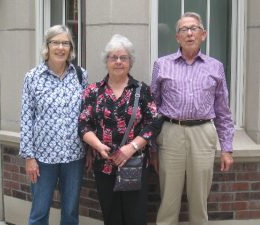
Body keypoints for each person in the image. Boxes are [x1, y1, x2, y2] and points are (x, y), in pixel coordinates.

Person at [151, 12, 235, 225]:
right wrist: (152, 147)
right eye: (183, 30)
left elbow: (223, 110)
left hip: (203, 133)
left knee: (199, 198)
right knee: (169, 197)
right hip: (171, 133)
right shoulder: (162, 65)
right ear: (177, 37)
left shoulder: (215, 66)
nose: (189, 33)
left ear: (203, 34)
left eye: (194, 28)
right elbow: (153, 107)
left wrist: (226, 148)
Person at [78, 34, 163, 225]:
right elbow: (83, 124)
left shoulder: (142, 91)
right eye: (113, 57)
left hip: (135, 164)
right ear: (106, 61)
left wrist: (131, 147)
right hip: (104, 164)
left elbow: (154, 123)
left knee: (135, 217)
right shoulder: (93, 91)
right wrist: (98, 146)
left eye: (123, 58)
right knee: (111, 216)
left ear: (130, 62)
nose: (118, 62)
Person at [19, 25, 88, 225]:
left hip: (74, 156)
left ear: (70, 47)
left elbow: (86, 115)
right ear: (47, 46)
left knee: (70, 213)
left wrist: (89, 149)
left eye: (65, 43)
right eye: (55, 42)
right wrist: (29, 156)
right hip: (42, 159)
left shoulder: (80, 75)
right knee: (39, 213)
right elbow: (26, 118)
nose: (60, 48)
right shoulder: (33, 77)